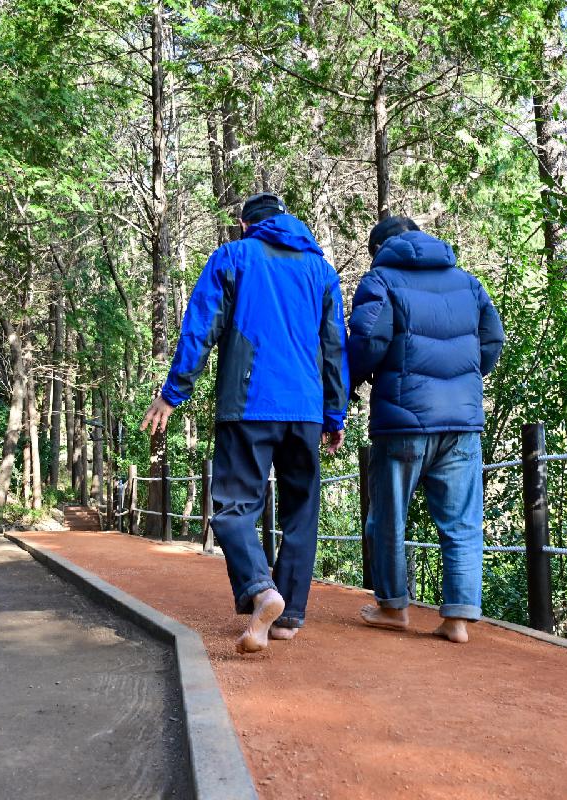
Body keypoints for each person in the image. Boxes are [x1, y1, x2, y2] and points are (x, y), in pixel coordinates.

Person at [142, 192, 349, 653]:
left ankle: (262, 589)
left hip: (249, 403)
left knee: (234, 509)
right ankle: (288, 617)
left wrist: (172, 394)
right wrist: (335, 413)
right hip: (306, 411)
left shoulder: (233, 256)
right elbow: (335, 348)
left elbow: (201, 327)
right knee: (301, 510)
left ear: (244, 223)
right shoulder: (321, 270)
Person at [347, 216, 504, 643]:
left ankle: (393, 608)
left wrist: (348, 386)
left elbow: (367, 341)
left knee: (388, 518)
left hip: (402, 420)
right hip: (462, 420)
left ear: (380, 247)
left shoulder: (380, 278)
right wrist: (462, 381)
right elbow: (492, 341)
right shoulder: (468, 283)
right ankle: (457, 619)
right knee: (462, 522)